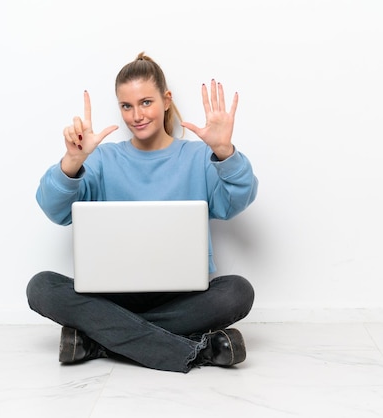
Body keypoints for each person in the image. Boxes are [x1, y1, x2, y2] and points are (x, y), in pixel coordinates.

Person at [26, 52, 258, 373]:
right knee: (41, 286)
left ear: (166, 100)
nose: (136, 115)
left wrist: (224, 152)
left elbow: (237, 201)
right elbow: (56, 210)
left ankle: (97, 339)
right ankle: (196, 351)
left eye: (146, 102)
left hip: (182, 295)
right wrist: (72, 161)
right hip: (114, 296)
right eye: (126, 106)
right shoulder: (102, 159)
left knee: (237, 292)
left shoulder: (198, 157)